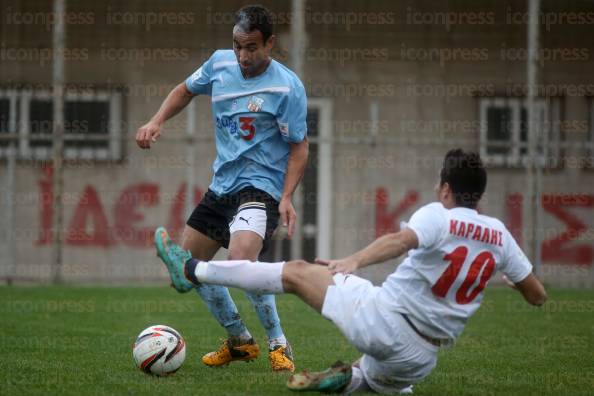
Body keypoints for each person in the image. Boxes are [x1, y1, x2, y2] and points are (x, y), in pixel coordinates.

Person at [154, 148, 547, 393]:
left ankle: (191, 268)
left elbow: (399, 241)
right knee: (370, 380)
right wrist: (510, 277)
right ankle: (343, 378)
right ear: (479, 193)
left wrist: (353, 262)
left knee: (296, 272)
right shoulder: (499, 236)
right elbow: (537, 295)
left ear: (446, 188)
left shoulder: (438, 215)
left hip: (383, 320)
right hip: (422, 358)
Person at [136, 5, 308, 372]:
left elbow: (299, 146)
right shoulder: (219, 63)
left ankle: (279, 342)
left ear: (270, 44)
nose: (242, 56)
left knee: (240, 262)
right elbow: (184, 89)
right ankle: (241, 341)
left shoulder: (287, 86)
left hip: (261, 188)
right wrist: (156, 120)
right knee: (187, 269)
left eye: (251, 48)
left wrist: (288, 195)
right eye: (237, 46)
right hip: (222, 186)